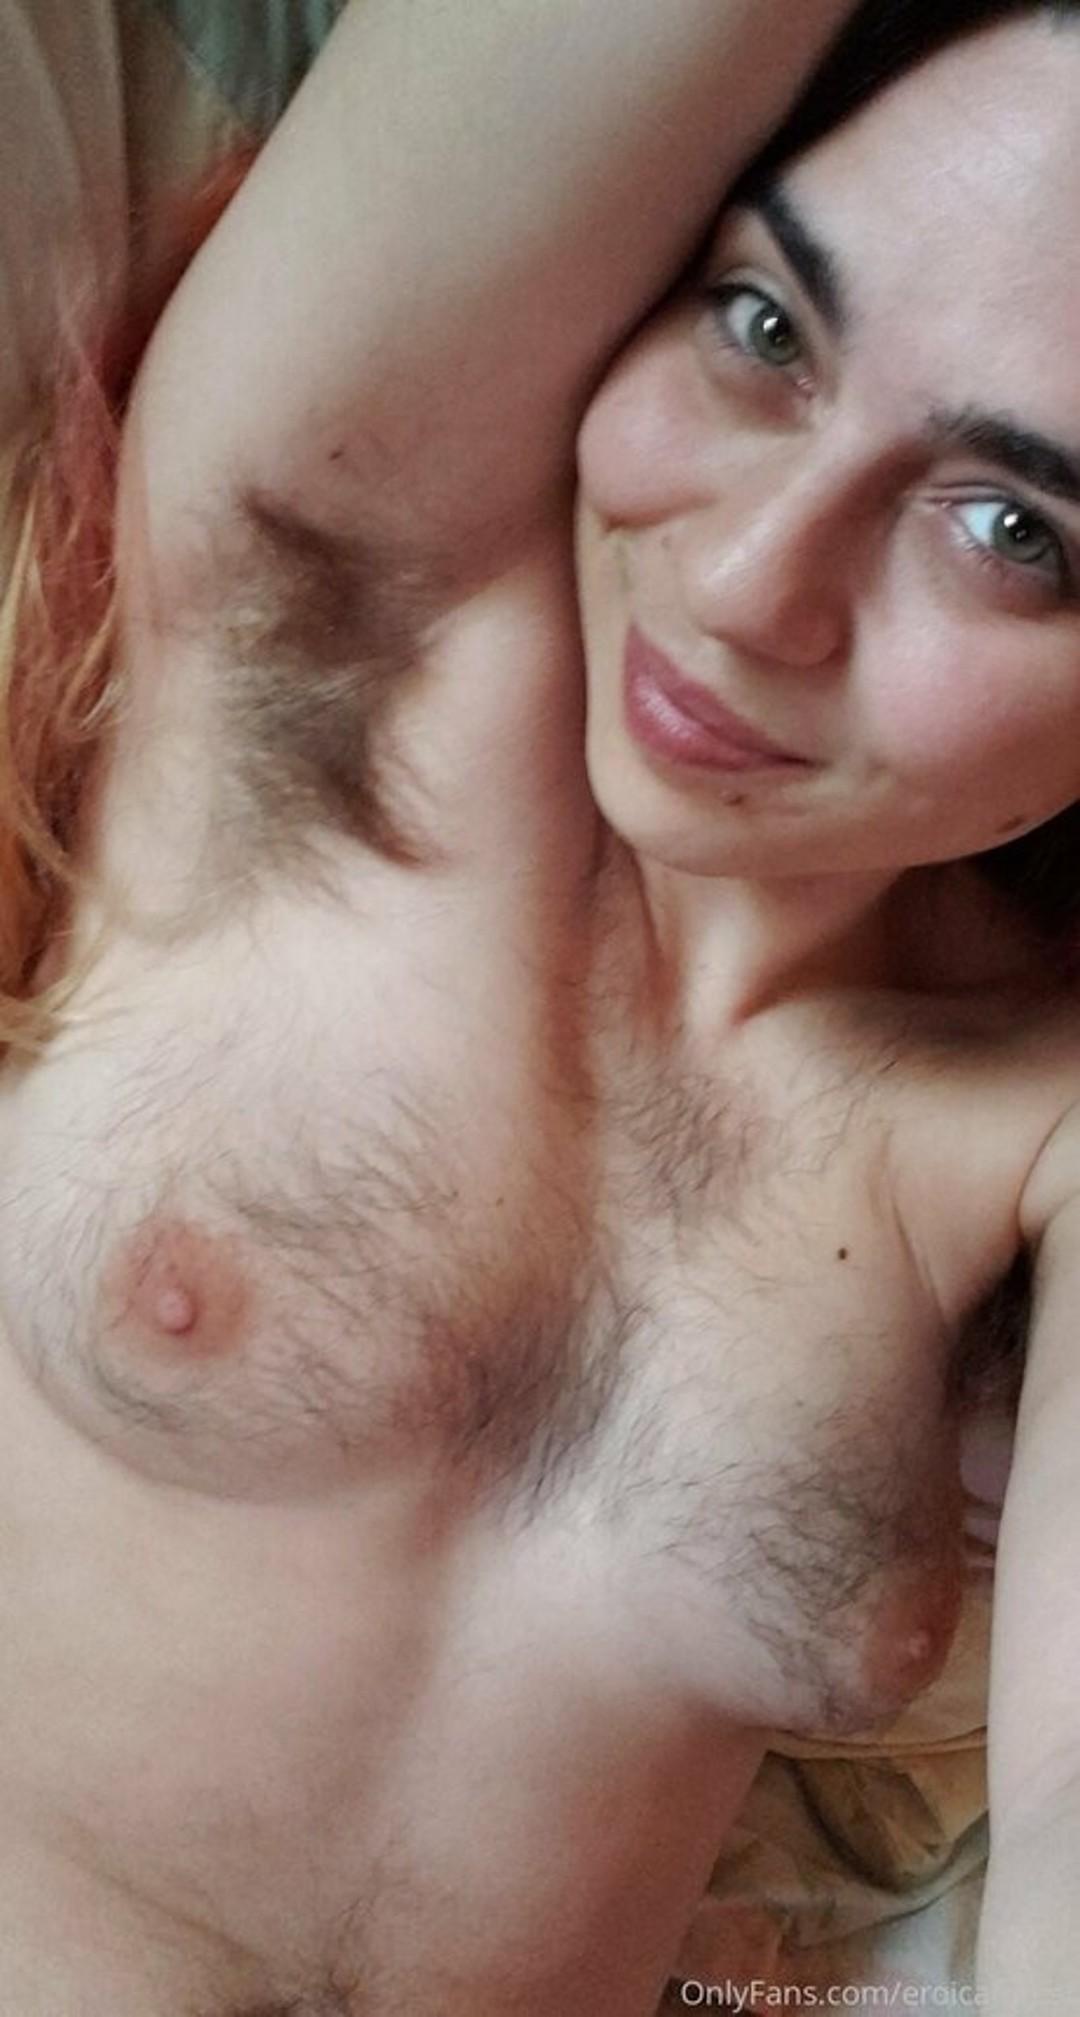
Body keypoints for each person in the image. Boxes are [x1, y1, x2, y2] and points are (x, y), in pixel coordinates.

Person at [0, 1, 1077, 2012]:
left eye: (1014, 531)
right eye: (763, 326)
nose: (748, 582)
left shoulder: (1032, 1114)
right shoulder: (321, 615)